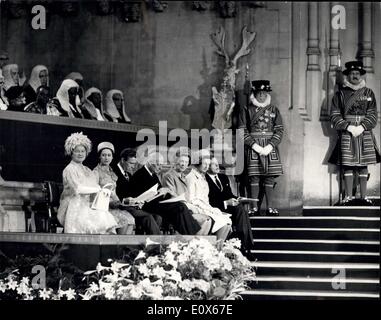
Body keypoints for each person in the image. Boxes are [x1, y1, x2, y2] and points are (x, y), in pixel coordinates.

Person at [329, 60, 380, 204]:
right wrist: (348, 127)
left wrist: (363, 126)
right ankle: (348, 197)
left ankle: (363, 197)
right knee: (348, 164)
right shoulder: (339, 95)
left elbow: (373, 114)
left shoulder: (369, 93)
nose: (355, 76)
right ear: (348, 75)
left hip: (364, 132)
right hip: (347, 132)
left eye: (357, 73)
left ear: (361, 75)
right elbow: (334, 115)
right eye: (352, 73)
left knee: (363, 164)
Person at [127, 150, 201, 235]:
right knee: (180, 207)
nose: (160, 167)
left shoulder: (153, 174)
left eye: (162, 165)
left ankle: (190, 235)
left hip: (155, 203)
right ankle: (191, 236)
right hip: (146, 205)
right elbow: (137, 196)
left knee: (181, 207)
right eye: (158, 164)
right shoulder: (139, 175)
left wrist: (165, 191)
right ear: (150, 163)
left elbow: (158, 190)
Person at [238, 80, 284, 216]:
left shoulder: (274, 110)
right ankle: (254, 208)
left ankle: (270, 207)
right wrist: (254, 145)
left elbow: (280, 130)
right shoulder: (246, 110)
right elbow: (242, 130)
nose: (262, 96)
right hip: (254, 147)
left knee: (269, 178)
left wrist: (271, 145)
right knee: (254, 177)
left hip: (270, 147)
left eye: (264, 94)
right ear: (254, 94)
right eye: (259, 94)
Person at [57, 132, 118, 234]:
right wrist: (98, 189)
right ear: (71, 152)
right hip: (74, 206)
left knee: (106, 218)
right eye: (77, 151)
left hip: (87, 205)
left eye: (83, 151)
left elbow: (95, 185)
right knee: (99, 221)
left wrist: (106, 191)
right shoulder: (69, 169)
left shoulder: (87, 170)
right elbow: (77, 189)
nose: (80, 154)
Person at [206, 157, 254, 254]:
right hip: (215, 209)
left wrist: (239, 199)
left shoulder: (223, 177)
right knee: (241, 211)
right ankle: (246, 247)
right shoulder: (204, 180)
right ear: (207, 166)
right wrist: (226, 203)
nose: (217, 166)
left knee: (241, 209)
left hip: (229, 208)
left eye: (217, 164)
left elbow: (229, 195)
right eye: (213, 164)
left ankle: (245, 246)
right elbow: (208, 201)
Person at [162, 150, 212, 235]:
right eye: (181, 161)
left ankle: (196, 243)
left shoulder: (184, 177)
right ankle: (192, 242)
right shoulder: (168, 176)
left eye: (186, 162)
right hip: (175, 210)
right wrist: (189, 205)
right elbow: (172, 196)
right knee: (204, 221)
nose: (183, 164)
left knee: (208, 220)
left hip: (185, 209)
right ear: (175, 161)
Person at [185, 150, 232, 241]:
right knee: (222, 222)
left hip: (205, 208)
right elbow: (191, 199)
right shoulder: (191, 177)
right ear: (198, 163)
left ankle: (216, 250)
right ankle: (209, 248)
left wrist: (212, 209)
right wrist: (208, 209)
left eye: (208, 164)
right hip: (195, 209)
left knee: (227, 222)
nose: (207, 167)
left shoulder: (203, 178)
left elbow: (205, 200)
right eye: (204, 164)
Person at [114, 148, 162, 235]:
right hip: (119, 205)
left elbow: (131, 192)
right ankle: (158, 244)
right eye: (131, 163)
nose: (133, 166)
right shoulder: (114, 172)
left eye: (135, 164)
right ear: (122, 160)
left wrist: (138, 200)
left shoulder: (128, 173)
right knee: (147, 217)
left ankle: (150, 245)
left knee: (157, 217)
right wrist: (129, 200)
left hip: (132, 205)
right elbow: (116, 194)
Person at [93, 142, 135, 234]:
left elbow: (114, 192)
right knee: (124, 221)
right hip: (103, 206)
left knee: (131, 219)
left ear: (112, 157)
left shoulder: (112, 171)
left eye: (109, 155)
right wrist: (110, 203)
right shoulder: (96, 172)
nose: (106, 158)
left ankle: (125, 247)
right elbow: (95, 193)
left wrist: (119, 202)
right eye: (103, 155)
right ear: (99, 156)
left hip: (114, 205)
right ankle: (118, 246)